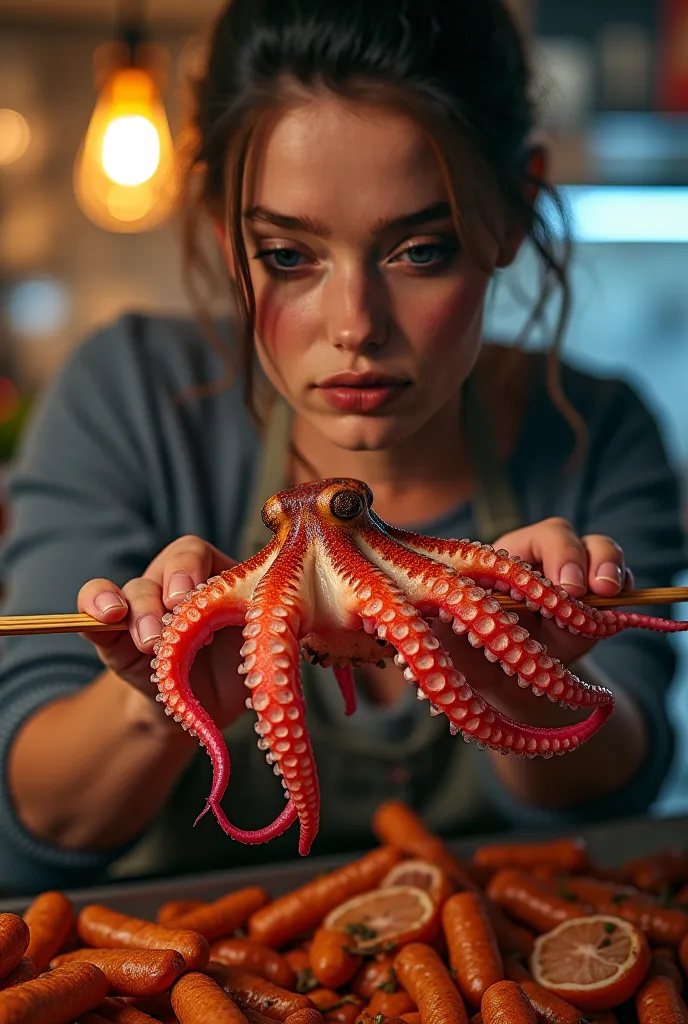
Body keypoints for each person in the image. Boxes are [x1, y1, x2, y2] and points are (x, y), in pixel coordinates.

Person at [0, 0, 686, 894]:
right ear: (224, 233)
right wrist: (164, 704)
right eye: (288, 255)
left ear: (512, 215)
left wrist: (522, 675)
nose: (355, 326)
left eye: (421, 250)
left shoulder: (598, 430)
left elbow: (616, 794)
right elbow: (31, 822)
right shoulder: (128, 394)